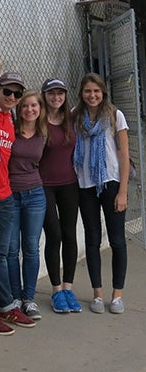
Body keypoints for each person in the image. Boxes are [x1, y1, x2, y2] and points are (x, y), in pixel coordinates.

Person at [0, 72, 36, 334]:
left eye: (17, 93)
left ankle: (4, 306)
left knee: (0, 255)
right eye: (7, 92)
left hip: (6, 196)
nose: (12, 97)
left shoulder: (11, 118)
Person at [73, 73, 130, 314]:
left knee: (117, 240)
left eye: (96, 91)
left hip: (111, 183)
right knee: (92, 240)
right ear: (82, 93)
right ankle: (97, 293)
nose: (92, 95)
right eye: (88, 91)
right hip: (85, 185)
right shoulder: (75, 116)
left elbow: (124, 155)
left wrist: (123, 191)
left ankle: (117, 295)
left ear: (103, 93)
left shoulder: (114, 115)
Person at [39, 79, 82, 313]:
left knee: (69, 234)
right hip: (44, 185)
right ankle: (56, 290)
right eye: (52, 93)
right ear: (45, 95)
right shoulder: (38, 120)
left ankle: (68, 288)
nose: (56, 97)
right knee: (53, 235)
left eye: (60, 93)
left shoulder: (71, 119)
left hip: (69, 184)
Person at [7, 90, 48, 320]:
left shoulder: (44, 133)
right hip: (11, 196)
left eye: (34, 106)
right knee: (12, 249)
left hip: (35, 195)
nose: (29, 110)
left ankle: (29, 299)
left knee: (31, 247)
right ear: (19, 109)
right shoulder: (10, 131)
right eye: (25, 106)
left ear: (39, 108)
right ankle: (15, 297)